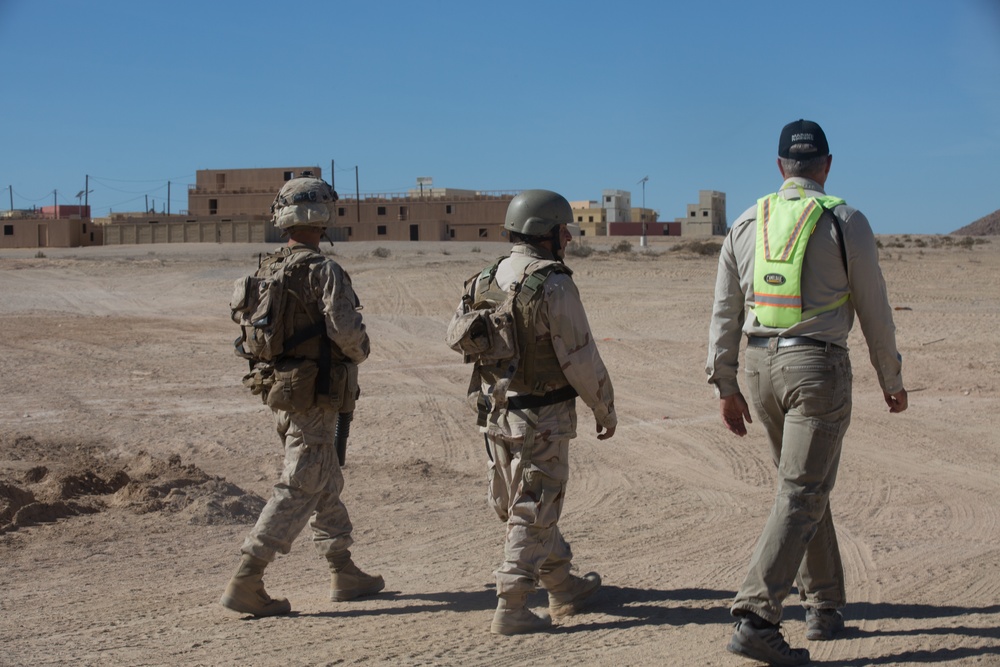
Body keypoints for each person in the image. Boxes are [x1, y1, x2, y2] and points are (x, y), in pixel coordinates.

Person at [706, 120, 908, 666]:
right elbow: (874, 307)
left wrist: (725, 383)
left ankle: (822, 605)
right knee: (802, 491)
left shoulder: (747, 220)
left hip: (757, 368)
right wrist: (891, 378)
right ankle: (756, 615)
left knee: (803, 487)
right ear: (827, 165)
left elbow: (725, 310)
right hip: (815, 367)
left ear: (779, 169)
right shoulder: (845, 219)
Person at [449, 189, 617, 635]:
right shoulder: (554, 283)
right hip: (541, 417)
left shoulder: (483, 279)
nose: (568, 238)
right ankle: (513, 602)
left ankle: (562, 585)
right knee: (536, 505)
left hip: (495, 413)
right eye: (565, 231)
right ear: (550, 234)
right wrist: (604, 407)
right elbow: (579, 357)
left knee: (518, 502)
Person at [220, 177, 383, 617]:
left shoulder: (269, 268)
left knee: (323, 476)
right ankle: (248, 577)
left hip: (284, 390)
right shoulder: (322, 269)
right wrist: (361, 351)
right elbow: (347, 333)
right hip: (316, 392)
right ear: (324, 215)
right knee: (300, 482)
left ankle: (342, 568)